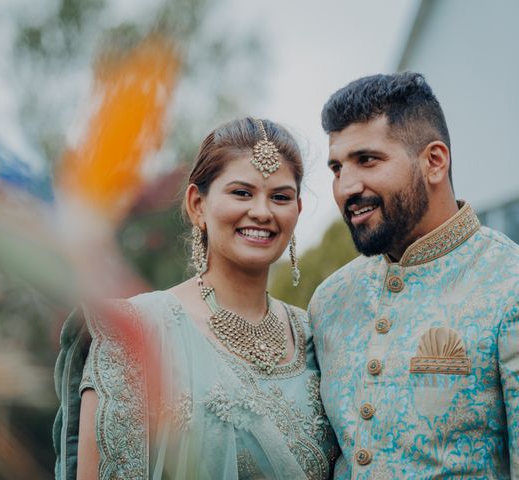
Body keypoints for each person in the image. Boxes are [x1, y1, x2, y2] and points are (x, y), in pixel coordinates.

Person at [53, 117, 339, 479]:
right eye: (241, 193)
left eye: (279, 197)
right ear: (197, 205)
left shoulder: (316, 335)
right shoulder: (137, 330)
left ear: (296, 210)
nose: (263, 212)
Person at [308, 71, 519, 478]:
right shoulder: (331, 300)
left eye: (367, 160)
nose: (346, 187)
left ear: (434, 162)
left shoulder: (508, 283)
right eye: (336, 168)